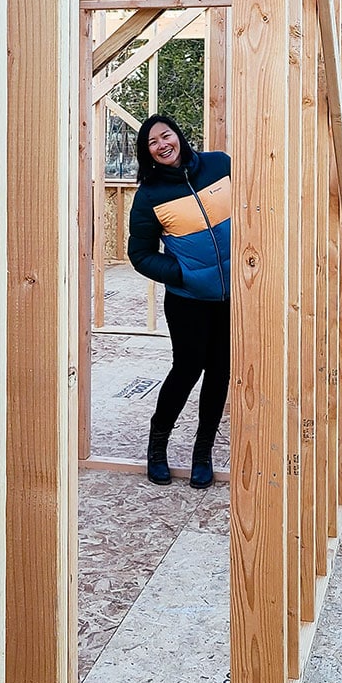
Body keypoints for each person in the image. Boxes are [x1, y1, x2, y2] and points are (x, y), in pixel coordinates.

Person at [126, 114, 231, 488]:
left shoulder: (220, 165)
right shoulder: (150, 195)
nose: (161, 145)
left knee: (219, 373)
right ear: (148, 153)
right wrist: (183, 273)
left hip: (232, 299)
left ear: (178, 136)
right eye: (152, 143)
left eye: (165, 135)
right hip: (188, 300)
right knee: (187, 371)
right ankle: (158, 447)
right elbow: (139, 253)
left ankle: (202, 453)